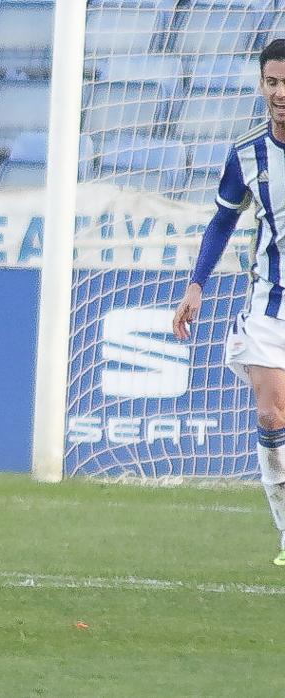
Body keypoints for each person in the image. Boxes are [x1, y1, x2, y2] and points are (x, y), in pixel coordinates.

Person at [173, 39, 285, 567]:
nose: (280, 93)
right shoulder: (248, 153)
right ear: (263, 84)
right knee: (271, 408)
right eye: (272, 82)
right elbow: (223, 221)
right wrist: (196, 284)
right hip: (270, 304)